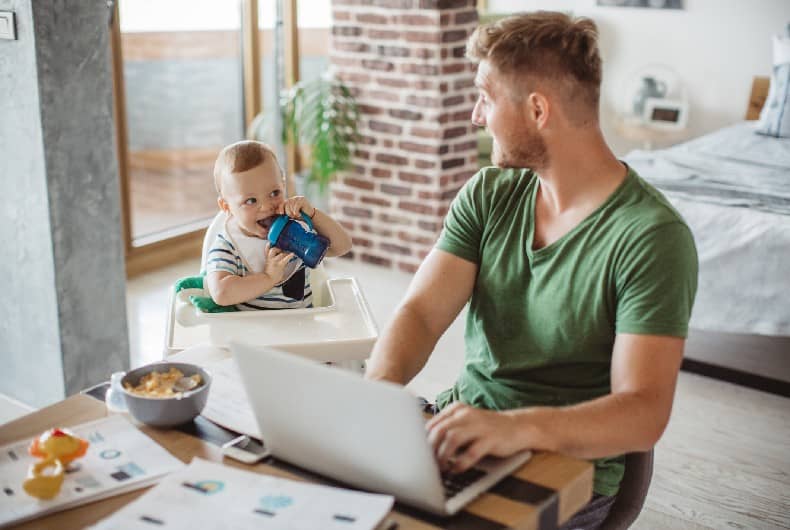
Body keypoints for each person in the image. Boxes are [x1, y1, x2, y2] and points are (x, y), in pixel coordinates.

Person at [364, 11, 697, 529]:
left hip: (567, 474)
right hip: (459, 435)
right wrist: (378, 392)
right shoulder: (490, 192)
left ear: (538, 109)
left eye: (486, 96)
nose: (477, 115)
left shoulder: (652, 237)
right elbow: (422, 313)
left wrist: (518, 428)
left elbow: (644, 413)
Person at [206, 140, 352, 310]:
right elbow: (220, 293)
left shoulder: (294, 228)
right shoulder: (228, 246)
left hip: (304, 327)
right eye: (251, 201)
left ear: (283, 185)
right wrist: (268, 278)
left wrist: (312, 214)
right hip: (255, 332)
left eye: (274, 193)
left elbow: (343, 246)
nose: (267, 207)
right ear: (227, 207)